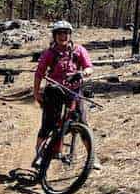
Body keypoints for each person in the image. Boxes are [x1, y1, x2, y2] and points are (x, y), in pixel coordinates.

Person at [32, 20, 100, 169]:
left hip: (74, 91)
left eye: (66, 33)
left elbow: (89, 67)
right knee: (48, 124)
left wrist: (83, 73)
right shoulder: (49, 53)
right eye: (59, 34)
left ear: (70, 35)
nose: (63, 36)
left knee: (82, 123)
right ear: (54, 36)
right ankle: (39, 155)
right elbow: (39, 73)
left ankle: (92, 158)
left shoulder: (79, 50)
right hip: (54, 90)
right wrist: (36, 92)